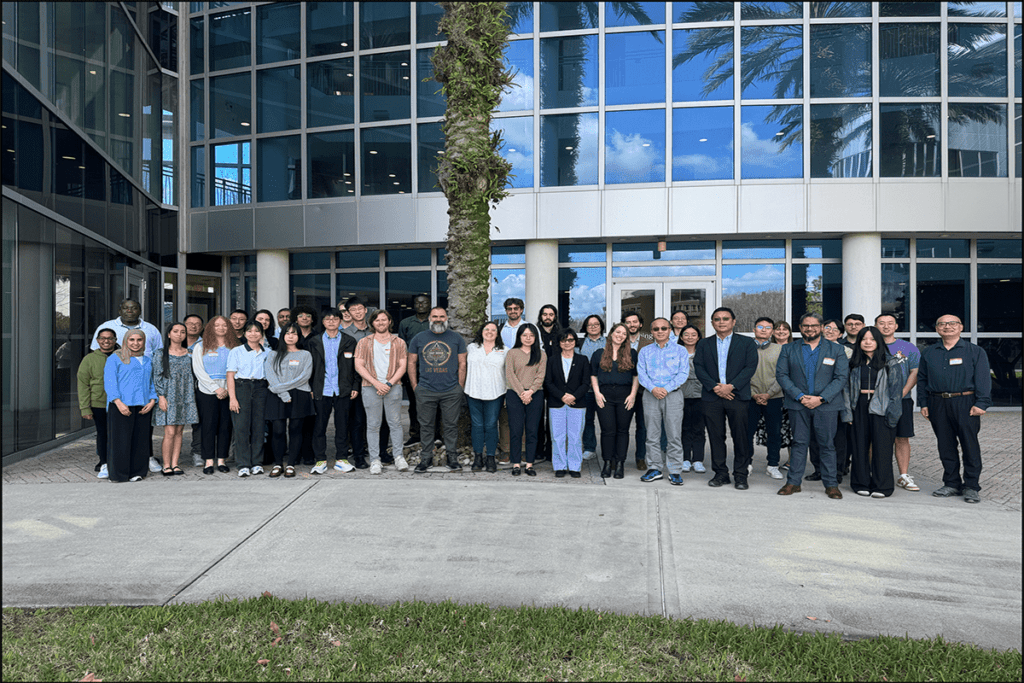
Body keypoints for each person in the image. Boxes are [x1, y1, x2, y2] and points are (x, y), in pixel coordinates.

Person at [776, 313, 850, 500]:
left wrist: (821, 398)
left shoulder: (836, 350)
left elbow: (841, 378)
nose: (810, 329)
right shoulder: (789, 349)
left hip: (826, 406)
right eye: (806, 325)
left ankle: (831, 485)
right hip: (797, 404)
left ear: (821, 327)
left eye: (814, 325)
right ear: (800, 328)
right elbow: (782, 375)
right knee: (799, 443)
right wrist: (800, 396)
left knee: (827, 445)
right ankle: (793, 483)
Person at [919, 314, 991, 504]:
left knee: (970, 445)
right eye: (942, 324)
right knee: (945, 445)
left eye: (952, 323)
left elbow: (983, 378)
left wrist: (982, 403)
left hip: (966, 403)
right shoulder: (929, 352)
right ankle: (951, 483)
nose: (947, 327)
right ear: (936, 329)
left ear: (960, 327)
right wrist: (923, 403)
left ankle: (971, 486)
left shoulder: (975, 351)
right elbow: (922, 380)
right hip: (937, 403)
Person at [693, 307, 758, 490]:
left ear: (733, 321)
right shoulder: (704, 344)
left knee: (741, 437)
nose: (721, 322)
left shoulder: (746, 343)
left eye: (725, 318)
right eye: (717, 319)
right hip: (712, 397)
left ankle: (741, 475)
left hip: (737, 396)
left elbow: (750, 367)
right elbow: (699, 367)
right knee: (716, 437)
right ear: (712, 323)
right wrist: (715, 387)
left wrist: (731, 386)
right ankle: (720, 473)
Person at [843, 326, 903, 498]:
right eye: (864, 339)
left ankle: (882, 486)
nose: (868, 343)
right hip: (859, 407)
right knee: (859, 447)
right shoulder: (853, 363)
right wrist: (848, 413)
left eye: (872, 339)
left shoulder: (890, 363)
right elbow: (846, 390)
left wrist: (893, 416)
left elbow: (896, 393)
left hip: (882, 409)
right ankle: (860, 483)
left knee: (882, 449)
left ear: (879, 342)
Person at [408, 307, 468, 472]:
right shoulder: (419, 338)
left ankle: (452, 458)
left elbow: (462, 363)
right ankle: (426, 458)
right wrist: (415, 386)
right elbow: (411, 362)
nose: (438, 319)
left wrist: (460, 387)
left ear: (447, 318)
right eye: (435, 316)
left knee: (451, 425)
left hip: (451, 391)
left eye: (442, 316)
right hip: (425, 390)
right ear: (429, 318)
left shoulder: (456, 338)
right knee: (426, 425)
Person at [354, 310, 409, 475]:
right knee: (372, 425)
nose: (380, 323)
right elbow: (359, 365)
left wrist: (389, 383)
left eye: (384, 320)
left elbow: (402, 366)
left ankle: (399, 457)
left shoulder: (399, 342)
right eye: (377, 320)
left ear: (389, 322)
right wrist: (377, 383)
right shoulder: (364, 342)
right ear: (372, 323)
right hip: (370, 387)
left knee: (395, 424)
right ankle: (375, 460)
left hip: (393, 387)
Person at [637, 317, 689, 486]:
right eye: (656, 329)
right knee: (651, 434)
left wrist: (666, 388)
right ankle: (654, 468)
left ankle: (675, 470)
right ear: (651, 332)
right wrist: (653, 389)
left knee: (674, 434)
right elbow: (641, 373)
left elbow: (683, 373)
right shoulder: (645, 351)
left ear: (669, 330)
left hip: (672, 394)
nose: (660, 331)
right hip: (650, 395)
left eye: (663, 328)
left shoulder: (680, 350)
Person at [308, 309, 360, 474]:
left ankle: (341, 459)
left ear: (340, 321)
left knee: (342, 426)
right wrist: (309, 387)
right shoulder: (313, 341)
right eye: (327, 319)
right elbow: (308, 368)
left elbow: (356, 367)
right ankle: (320, 460)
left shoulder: (349, 341)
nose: (331, 321)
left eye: (335, 318)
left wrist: (355, 386)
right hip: (320, 390)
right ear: (322, 322)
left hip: (342, 390)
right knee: (319, 427)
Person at [875, 313, 921, 492]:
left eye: (890, 323)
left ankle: (903, 475)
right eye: (881, 323)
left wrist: (902, 393)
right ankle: (876, 473)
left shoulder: (908, 348)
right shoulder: (870, 344)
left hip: (902, 400)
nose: (886, 327)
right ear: (876, 325)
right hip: (875, 402)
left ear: (896, 326)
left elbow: (914, 372)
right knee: (875, 438)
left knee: (902, 438)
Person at [103, 330, 157, 482]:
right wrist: (118, 402)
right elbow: (110, 382)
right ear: (126, 341)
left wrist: (152, 400)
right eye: (132, 339)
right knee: (120, 441)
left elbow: (151, 382)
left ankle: (137, 472)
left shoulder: (147, 360)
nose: (136, 343)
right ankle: (118, 474)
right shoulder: (115, 358)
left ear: (144, 342)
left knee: (141, 441)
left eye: (139, 340)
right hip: (121, 405)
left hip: (143, 406)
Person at [264, 322, 315, 478]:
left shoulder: (305, 354)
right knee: (278, 430)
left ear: (298, 336)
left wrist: (282, 388)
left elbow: (304, 377)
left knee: (295, 430)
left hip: (299, 394)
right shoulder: (273, 354)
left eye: (294, 333)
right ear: (282, 335)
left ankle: (291, 464)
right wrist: (284, 393)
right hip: (277, 396)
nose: (290, 336)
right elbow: (270, 375)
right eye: (287, 333)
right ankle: (278, 464)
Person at [590, 323, 639, 480]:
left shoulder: (631, 353)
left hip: (625, 395)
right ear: (611, 333)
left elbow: (636, 376)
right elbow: (593, 375)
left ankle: (620, 464)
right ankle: (607, 462)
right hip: (605, 396)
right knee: (607, 430)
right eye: (618, 332)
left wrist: (632, 395)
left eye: (624, 333)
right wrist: (597, 393)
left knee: (623, 431)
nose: (620, 335)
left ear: (626, 337)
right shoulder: (599, 353)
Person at [192, 315, 239, 474]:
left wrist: (226, 389)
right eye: (217, 325)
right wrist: (216, 389)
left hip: (229, 390)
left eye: (224, 325)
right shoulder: (201, 346)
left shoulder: (234, 346)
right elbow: (198, 371)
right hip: (207, 391)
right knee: (208, 426)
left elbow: (236, 370)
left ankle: (222, 460)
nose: (221, 328)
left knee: (226, 426)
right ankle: (208, 461)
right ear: (211, 327)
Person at [808, 320, 853, 481]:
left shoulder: (846, 351)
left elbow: (843, 378)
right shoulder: (812, 348)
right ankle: (818, 470)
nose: (830, 331)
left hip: (836, 400)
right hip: (813, 400)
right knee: (814, 437)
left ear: (841, 334)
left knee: (837, 438)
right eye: (827, 328)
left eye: (835, 329)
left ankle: (837, 471)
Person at [545, 328, 592, 478]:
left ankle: (574, 466)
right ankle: (559, 465)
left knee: (575, 436)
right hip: (556, 402)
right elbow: (548, 382)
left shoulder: (583, 360)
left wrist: (573, 397)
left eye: (570, 340)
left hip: (577, 403)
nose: (567, 343)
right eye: (564, 340)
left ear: (575, 342)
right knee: (557, 436)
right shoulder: (552, 360)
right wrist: (562, 396)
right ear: (559, 343)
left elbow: (586, 383)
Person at [153, 322, 198, 476]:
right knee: (170, 431)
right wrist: (161, 396)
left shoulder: (190, 353)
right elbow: (156, 377)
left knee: (180, 431)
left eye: (182, 332)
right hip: (168, 394)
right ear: (169, 334)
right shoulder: (160, 353)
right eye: (176, 331)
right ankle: (166, 465)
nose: (179, 334)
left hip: (186, 394)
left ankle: (175, 463)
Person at [226, 320, 269, 477]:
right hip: (242, 387)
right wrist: (232, 398)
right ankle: (243, 464)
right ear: (244, 334)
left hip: (261, 388)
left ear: (261, 333)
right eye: (249, 331)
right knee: (241, 427)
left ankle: (257, 462)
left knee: (259, 427)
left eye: (257, 331)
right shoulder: (236, 352)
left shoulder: (268, 352)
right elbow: (230, 375)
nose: (253, 334)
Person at [505, 323, 546, 476]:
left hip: (535, 396)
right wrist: (523, 392)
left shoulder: (541, 354)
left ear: (536, 337)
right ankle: (516, 463)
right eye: (524, 335)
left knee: (532, 431)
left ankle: (529, 464)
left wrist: (530, 392)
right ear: (519, 337)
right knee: (515, 430)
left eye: (531, 335)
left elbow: (540, 376)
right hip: (514, 395)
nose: (528, 338)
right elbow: (510, 375)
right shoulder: (512, 353)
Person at [465, 321, 507, 473]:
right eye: (486, 329)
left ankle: (490, 457)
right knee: (477, 425)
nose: (489, 332)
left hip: (495, 393)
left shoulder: (504, 350)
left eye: (493, 330)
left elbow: (508, 373)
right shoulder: (471, 348)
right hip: (473, 391)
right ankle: (477, 457)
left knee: (490, 425)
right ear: (481, 331)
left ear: (497, 333)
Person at [748, 317, 784, 481]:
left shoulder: (780, 349)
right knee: (747, 432)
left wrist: (769, 393)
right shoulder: (745, 348)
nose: (763, 330)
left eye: (768, 327)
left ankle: (773, 465)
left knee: (774, 432)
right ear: (754, 329)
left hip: (774, 397)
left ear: (772, 331)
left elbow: (783, 375)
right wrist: (753, 394)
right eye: (760, 327)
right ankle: (746, 464)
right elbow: (740, 373)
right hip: (749, 397)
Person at [78, 327, 118, 478]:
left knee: (118, 433)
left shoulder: (122, 356)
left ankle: (118, 460)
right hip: (98, 403)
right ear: (97, 341)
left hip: (119, 402)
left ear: (115, 340)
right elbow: (83, 384)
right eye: (102, 338)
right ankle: (104, 461)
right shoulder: (89, 359)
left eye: (109, 338)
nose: (106, 341)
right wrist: (85, 408)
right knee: (102, 433)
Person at [340, 297, 372, 466]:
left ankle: (377, 451)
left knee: (375, 420)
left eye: (360, 308)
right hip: (356, 382)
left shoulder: (375, 330)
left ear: (365, 310)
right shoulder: (344, 335)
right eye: (353, 310)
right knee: (357, 420)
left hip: (375, 381)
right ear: (348, 313)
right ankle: (358, 455)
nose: (358, 312)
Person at [398, 294, 432, 447]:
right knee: (414, 404)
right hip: (412, 370)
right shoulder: (406, 323)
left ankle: (435, 434)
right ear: (414, 305)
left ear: (429, 304)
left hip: (433, 370)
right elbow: (401, 348)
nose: (421, 305)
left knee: (433, 404)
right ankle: (415, 434)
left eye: (424, 303)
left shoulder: (435, 322)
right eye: (418, 303)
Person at [496, 297, 526, 462]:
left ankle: (522, 450)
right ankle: (506, 450)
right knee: (505, 416)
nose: (513, 311)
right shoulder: (500, 329)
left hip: (524, 377)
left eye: (516, 308)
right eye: (510, 308)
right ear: (506, 311)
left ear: (521, 310)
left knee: (524, 416)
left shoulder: (529, 328)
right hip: (503, 377)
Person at [623, 311, 653, 470]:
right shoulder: (619, 339)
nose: (631, 325)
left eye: (634, 322)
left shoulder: (650, 340)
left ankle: (640, 457)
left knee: (643, 426)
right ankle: (618, 457)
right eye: (628, 322)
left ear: (640, 324)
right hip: (624, 390)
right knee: (622, 426)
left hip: (644, 390)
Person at [90, 298, 163, 359]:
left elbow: (159, 354)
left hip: (144, 372)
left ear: (140, 311)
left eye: (134, 308)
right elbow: (95, 352)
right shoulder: (106, 327)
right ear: (119, 311)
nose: (129, 311)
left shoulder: (151, 329)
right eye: (125, 308)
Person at [677, 325, 706, 473]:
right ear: (681, 337)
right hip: (681, 395)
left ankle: (698, 460)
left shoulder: (704, 353)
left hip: (701, 395)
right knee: (684, 428)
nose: (689, 337)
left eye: (693, 334)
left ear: (698, 337)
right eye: (686, 334)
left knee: (699, 429)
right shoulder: (676, 353)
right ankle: (685, 459)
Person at [578, 314, 606, 461]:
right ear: (586, 327)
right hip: (586, 390)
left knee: (606, 421)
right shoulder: (580, 343)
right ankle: (589, 448)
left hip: (605, 389)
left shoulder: (609, 342)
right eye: (590, 325)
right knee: (588, 420)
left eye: (596, 324)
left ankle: (608, 449)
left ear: (601, 326)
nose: (593, 327)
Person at [534, 304, 560, 462]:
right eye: (545, 314)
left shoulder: (561, 334)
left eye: (551, 314)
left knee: (553, 417)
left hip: (555, 381)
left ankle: (551, 448)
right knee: (537, 416)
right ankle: (538, 448)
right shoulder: (534, 333)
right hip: (537, 379)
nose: (548, 317)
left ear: (555, 317)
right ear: (541, 316)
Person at [769, 320, 795, 468]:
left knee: (792, 429)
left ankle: (792, 460)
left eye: (785, 329)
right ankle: (772, 462)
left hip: (790, 393)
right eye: (777, 329)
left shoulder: (795, 348)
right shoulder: (768, 348)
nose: (781, 331)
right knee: (775, 428)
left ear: (789, 332)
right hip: (771, 393)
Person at [183, 313, 205, 467]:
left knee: (199, 421)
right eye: (190, 323)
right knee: (174, 423)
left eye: (197, 323)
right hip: (178, 388)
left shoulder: (206, 344)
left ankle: (198, 452)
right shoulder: (174, 342)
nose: (193, 326)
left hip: (199, 387)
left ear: (202, 327)